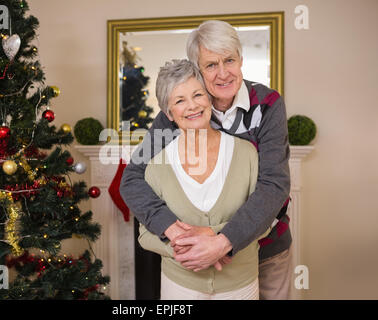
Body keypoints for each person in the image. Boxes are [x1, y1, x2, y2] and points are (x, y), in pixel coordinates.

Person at [120, 20, 291, 300]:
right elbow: (132, 178)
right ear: (197, 70)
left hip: (268, 247)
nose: (223, 73)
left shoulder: (268, 104)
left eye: (229, 61)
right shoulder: (178, 113)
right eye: (211, 65)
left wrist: (223, 242)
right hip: (192, 257)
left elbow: (273, 185)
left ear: (241, 60)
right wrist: (173, 230)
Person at [138, 58, 264, 299]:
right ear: (169, 113)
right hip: (179, 284)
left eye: (197, 95)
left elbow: (265, 219)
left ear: (209, 99)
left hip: (240, 284)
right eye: (179, 100)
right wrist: (190, 253)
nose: (192, 106)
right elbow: (145, 234)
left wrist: (214, 240)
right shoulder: (156, 164)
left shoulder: (246, 153)